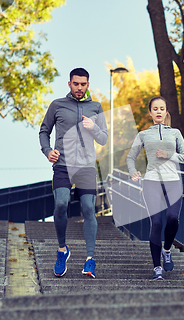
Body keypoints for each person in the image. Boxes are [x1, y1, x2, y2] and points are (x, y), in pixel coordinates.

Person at [39, 68, 108, 278]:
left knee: (88, 208)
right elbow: (44, 131)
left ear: (88, 84)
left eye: (83, 84)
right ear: (69, 83)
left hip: (86, 166)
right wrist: (47, 151)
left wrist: (93, 127)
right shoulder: (57, 105)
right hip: (62, 164)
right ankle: (62, 250)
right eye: (76, 84)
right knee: (61, 203)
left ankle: (89, 260)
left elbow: (104, 138)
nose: (79, 88)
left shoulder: (96, 107)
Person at [126, 96, 184, 280]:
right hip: (151, 181)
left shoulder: (175, 133)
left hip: (173, 181)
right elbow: (131, 157)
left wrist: (169, 155)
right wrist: (133, 172)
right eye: (155, 109)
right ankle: (157, 268)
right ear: (150, 112)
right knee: (157, 223)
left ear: (166, 111)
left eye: (162, 108)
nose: (159, 111)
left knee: (172, 220)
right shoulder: (144, 135)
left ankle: (167, 249)